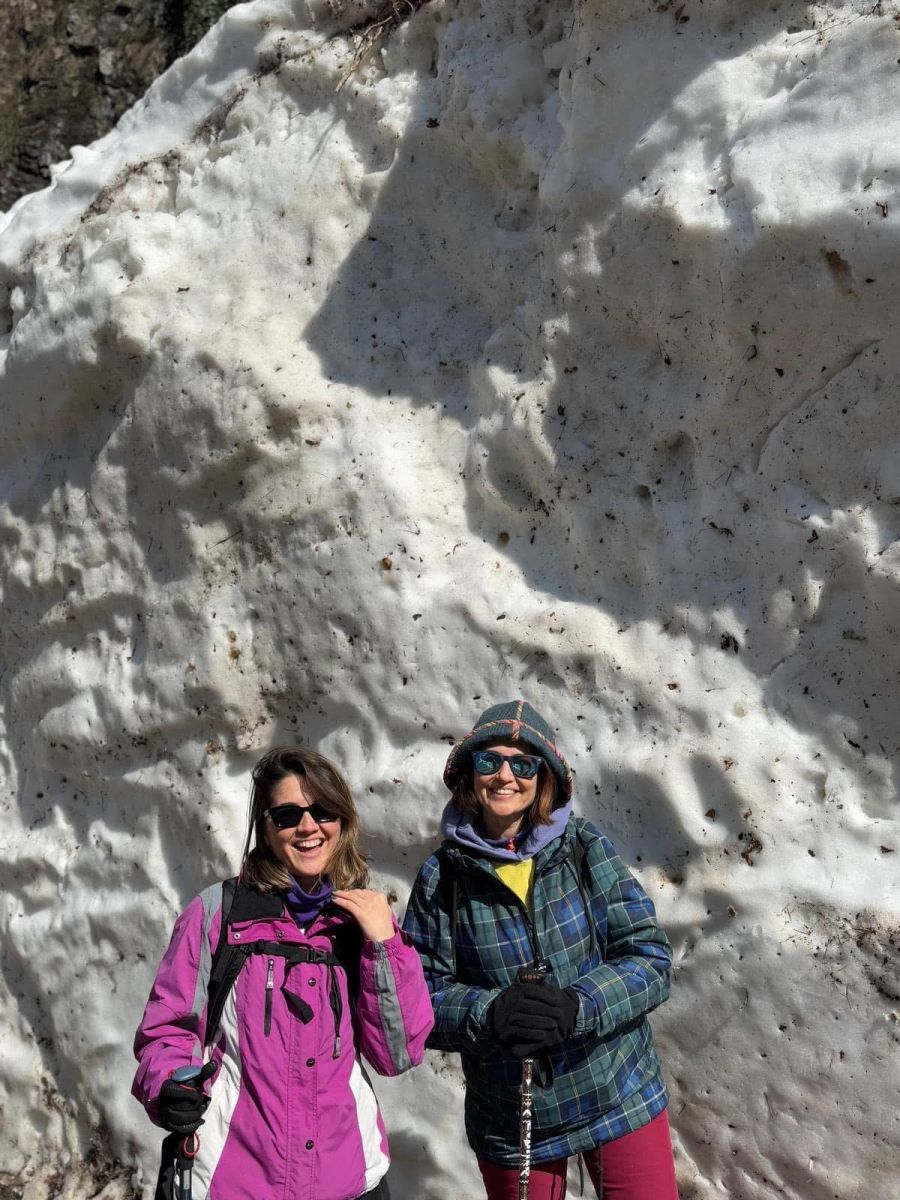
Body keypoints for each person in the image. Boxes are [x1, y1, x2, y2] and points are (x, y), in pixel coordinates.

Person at [402, 700, 678, 1200]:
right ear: (470, 773)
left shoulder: (583, 847)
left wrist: (578, 1006)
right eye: (489, 760)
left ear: (544, 776)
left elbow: (649, 957)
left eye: (523, 764)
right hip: (512, 1117)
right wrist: (490, 1014)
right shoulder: (443, 877)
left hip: (618, 1093)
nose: (505, 776)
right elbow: (418, 998)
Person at [133, 746, 434, 1200]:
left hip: (348, 1181)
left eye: (322, 811)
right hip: (234, 1182)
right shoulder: (218, 914)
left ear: (342, 821)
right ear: (267, 828)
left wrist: (385, 945)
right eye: (288, 815)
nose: (308, 827)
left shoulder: (361, 924)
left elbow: (397, 1054)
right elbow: (168, 1030)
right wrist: (170, 1084)